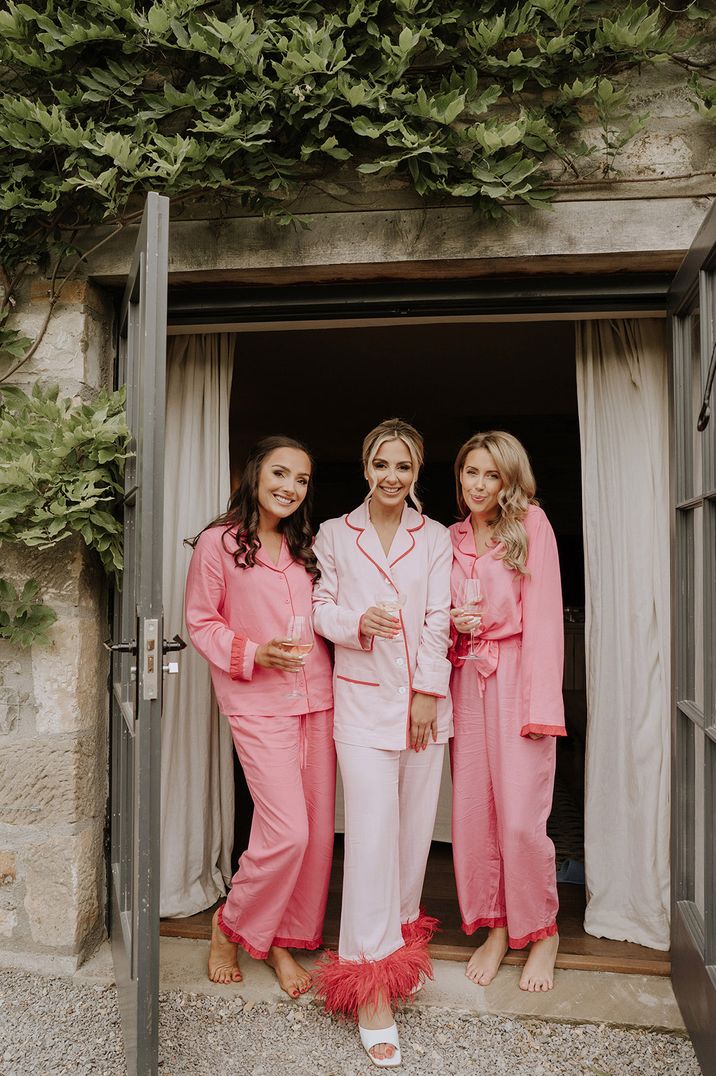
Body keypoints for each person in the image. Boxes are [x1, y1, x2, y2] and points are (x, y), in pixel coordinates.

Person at [312, 418, 452, 1068]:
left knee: (412, 838)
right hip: (362, 706)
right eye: (381, 464)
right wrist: (355, 625)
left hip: (423, 711)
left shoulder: (438, 538)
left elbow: (439, 618)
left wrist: (428, 691)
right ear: (365, 467)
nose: (391, 476)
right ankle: (369, 986)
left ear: (416, 471)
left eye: (403, 466)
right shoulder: (336, 535)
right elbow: (321, 608)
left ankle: (396, 958)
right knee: (369, 839)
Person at [184, 435, 335, 998]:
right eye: (280, 473)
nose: (290, 488)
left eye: (301, 480)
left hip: (317, 699)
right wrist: (253, 652)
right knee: (286, 831)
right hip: (257, 702)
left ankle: (280, 942)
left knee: (315, 835)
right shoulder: (219, 544)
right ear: (254, 474)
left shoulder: (306, 546)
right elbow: (201, 622)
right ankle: (231, 924)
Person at [449, 430, 566, 993]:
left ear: (509, 479)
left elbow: (544, 617)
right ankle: (495, 928)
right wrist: (454, 625)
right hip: (466, 675)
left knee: (521, 819)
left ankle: (542, 931)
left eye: (491, 474)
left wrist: (542, 702)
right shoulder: (448, 537)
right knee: (476, 815)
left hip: (518, 674)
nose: (478, 484)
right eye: (471, 472)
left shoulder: (532, 526)